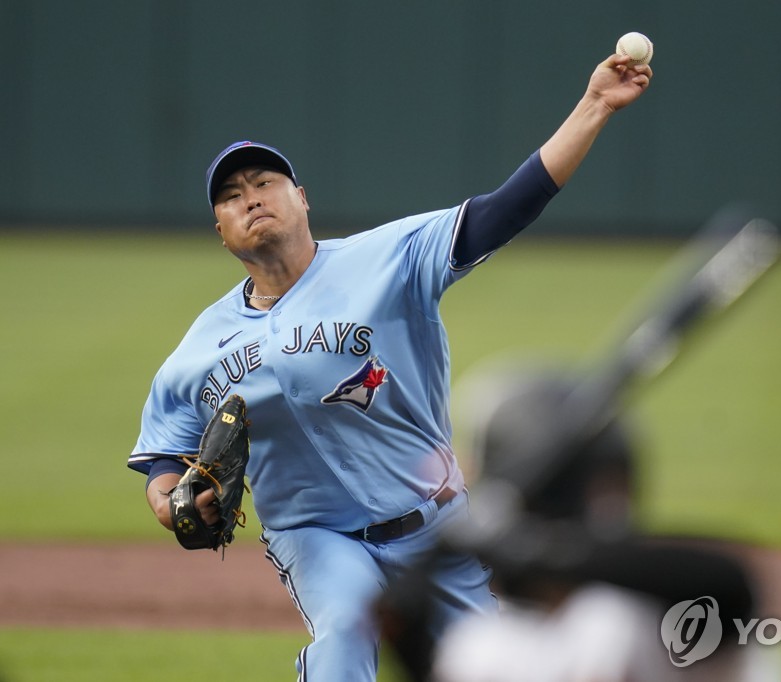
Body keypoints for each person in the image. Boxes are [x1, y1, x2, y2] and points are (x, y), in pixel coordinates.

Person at [127, 52, 651, 681]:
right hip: (316, 535)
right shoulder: (198, 349)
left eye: (265, 183)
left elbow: (506, 208)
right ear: (221, 229)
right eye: (233, 197)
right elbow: (165, 458)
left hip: (437, 521)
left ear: (301, 197)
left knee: (499, 662)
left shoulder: (390, 257)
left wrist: (593, 105)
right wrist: (171, 500)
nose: (252, 199)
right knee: (346, 629)